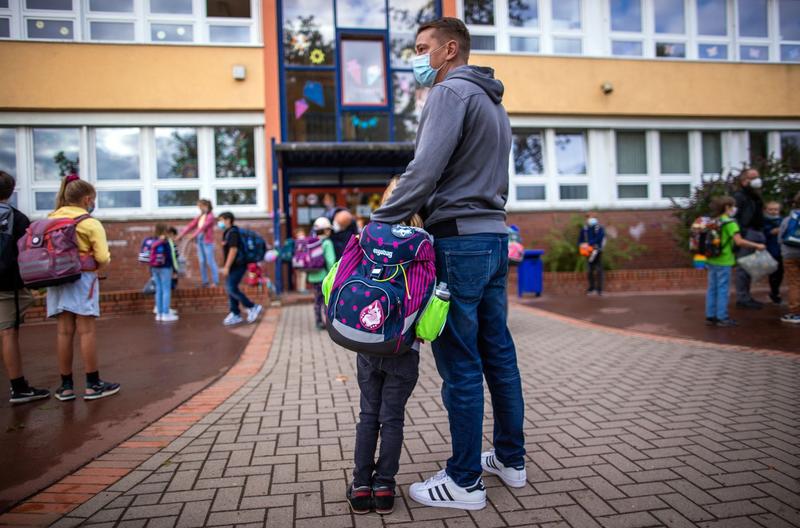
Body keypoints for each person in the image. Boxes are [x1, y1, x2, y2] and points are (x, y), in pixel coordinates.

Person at [371, 17, 526, 510]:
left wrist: (380, 222)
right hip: (493, 238)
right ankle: (510, 459)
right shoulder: (492, 102)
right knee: (498, 353)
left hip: (457, 243)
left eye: (422, 48)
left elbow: (424, 169)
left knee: (460, 362)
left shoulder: (448, 93)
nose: (417, 58)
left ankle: (464, 482)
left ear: (449, 49)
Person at [346, 176, 423, 515]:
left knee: (368, 416)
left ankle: (361, 486)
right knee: (392, 420)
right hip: (404, 347)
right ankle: (385, 487)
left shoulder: (370, 235)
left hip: (368, 341)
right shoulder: (423, 241)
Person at [48, 174, 119, 401]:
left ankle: (66, 386)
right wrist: (101, 264)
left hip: (55, 280)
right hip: (82, 279)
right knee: (86, 330)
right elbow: (102, 256)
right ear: (87, 199)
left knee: (63, 331)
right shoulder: (89, 223)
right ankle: (92, 383)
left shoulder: (50, 219)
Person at [0, 171, 50, 404]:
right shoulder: (18, 219)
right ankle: (18, 387)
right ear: (12, 190)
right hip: (7, 283)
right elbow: (27, 256)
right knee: (8, 332)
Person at [705, 196, 766, 327]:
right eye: (733, 206)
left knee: (712, 288)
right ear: (727, 207)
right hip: (724, 259)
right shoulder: (730, 223)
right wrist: (757, 245)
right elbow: (739, 241)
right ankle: (722, 317)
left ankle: (711, 315)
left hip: (711, 258)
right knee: (722, 289)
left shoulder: (713, 221)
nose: (735, 209)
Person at [218, 212, 262, 326]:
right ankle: (235, 313)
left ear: (228, 220)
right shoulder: (227, 233)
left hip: (238, 265)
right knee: (230, 288)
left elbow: (233, 250)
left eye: (221, 220)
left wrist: (227, 267)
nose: (219, 223)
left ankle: (252, 306)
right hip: (234, 265)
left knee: (231, 288)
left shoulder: (233, 233)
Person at [733, 169, 766, 309]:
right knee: (743, 267)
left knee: (751, 267)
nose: (757, 180)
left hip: (756, 232)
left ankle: (746, 296)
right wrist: (742, 232)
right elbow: (734, 216)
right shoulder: (740, 196)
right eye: (753, 178)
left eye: (758, 177)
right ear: (744, 181)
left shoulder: (754, 196)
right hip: (747, 233)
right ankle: (743, 298)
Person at [177, 199, 218, 288]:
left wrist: (193, 235)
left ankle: (215, 281)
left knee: (210, 261)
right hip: (200, 241)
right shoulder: (201, 216)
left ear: (206, 206)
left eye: (201, 206)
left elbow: (202, 228)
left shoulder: (210, 216)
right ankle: (205, 282)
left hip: (207, 241)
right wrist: (181, 234)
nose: (199, 208)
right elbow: (191, 225)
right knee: (202, 261)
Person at [306, 217, 336, 331]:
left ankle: (318, 321)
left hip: (313, 276)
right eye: (328, 229)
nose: (329, 232)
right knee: (327, 300)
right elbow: (330, 261)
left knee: (317, 299)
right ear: (324, 230)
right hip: (324, 277)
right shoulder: (327, 242)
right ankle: (329, 323)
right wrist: (332, 274)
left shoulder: (312, 241)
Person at [151, 223, 179, 323]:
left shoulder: (153, 240)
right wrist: (175, 270)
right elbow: (172, 256)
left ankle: (159, 314)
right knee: (166, 290)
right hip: (165, 267)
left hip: (154, 267)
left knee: (158, 290)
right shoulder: (167, 241)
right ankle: (165, 314)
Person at [779, 192, 800, 324]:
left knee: (794, 283)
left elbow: (780, 238)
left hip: (790, 255)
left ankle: (795, 314)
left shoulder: (788, 219)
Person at [578, 213, 606, 296]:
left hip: (597, 251)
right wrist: (581, 244)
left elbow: (599, 238)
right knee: (589, 270)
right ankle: (591, 288)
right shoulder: (584, 229)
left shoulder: (600, 228)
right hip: (588, 252)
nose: (590, 219)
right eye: (589, 218)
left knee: (598, 270)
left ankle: (599, 289)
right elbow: (580, 239)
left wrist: (589, 243)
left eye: (592, 218)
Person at [763, 201, 784, 304]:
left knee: (780, 272)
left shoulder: (782, 220)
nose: (773, 212)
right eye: (770, 209)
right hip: (771, 249)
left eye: (775, 209)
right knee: (774, 272)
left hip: (782, 250)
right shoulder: (764, 221)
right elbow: (766, 233)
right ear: (766, 210)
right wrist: (773, 231)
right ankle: (774, 293)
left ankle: (775, 291)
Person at [293, 227, 308, 293]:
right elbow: (304, 251)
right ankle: (302, 288)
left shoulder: (296, 242)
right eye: (300, 234)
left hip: (296, 261)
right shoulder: (303, 241)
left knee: (298, 275)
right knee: (303, 275)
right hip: (302, 261)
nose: (302, 235)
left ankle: (299, 288)